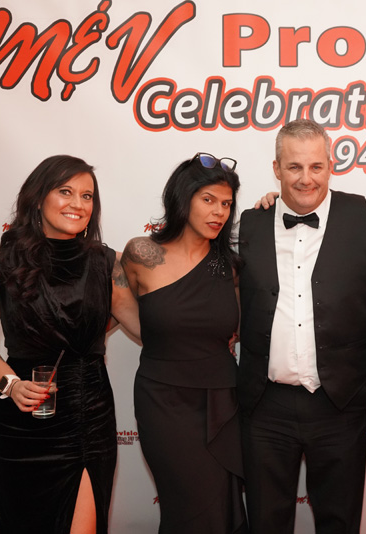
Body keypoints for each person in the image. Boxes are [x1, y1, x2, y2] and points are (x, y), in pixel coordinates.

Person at [237, 119, 366, 534]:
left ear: (331, 165)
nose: (306, 179)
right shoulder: (247, 223)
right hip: (264, 406)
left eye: (316, 166)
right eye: (294, 167)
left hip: (339, 404)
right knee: (266, 522)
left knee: (339, 521)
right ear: (276, 169)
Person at [0, 155, 140, 534]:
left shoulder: (107, 264)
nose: (77, 204)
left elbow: (146, 328)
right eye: (65, 192)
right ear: (38, 197)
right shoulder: (2, 265)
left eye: (87, 196)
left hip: (87, 418)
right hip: (20, 424)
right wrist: (11, 384)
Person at [121, 153, 247, 534]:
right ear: (182, 198)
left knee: (223, 507)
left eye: (226, 204)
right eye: (208, 199)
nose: (219, 212)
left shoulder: (230, 266)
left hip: (222, 401)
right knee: (189, 509)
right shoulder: (141, 254)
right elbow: (126, 313)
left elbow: (239, 325)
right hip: (164, 404)